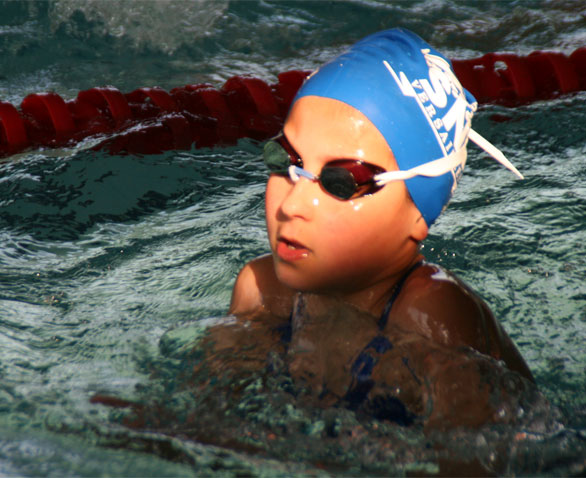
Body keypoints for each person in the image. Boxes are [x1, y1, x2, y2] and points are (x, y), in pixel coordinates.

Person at [225, 28, 536, 428]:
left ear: (417, 216)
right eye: (285, 162)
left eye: (341, 182)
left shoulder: (430, 314)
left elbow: (476, 455)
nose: (292, 205)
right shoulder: (263, 292)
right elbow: (208, 419)